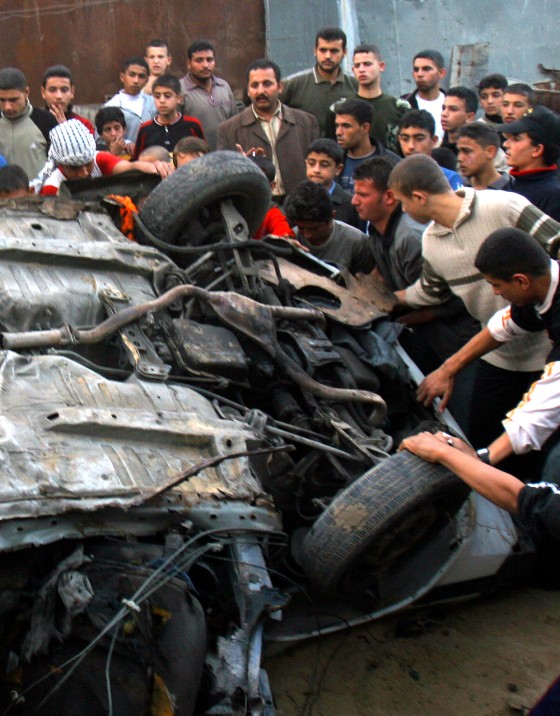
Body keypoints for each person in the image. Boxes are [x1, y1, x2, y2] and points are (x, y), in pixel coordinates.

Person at [388, 154, 558, 449]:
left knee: (540, 448)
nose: (495, 292)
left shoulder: (503, 206)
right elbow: (431, 293)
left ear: (418, 197)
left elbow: (555, 241)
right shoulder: (431, 242)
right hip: (498, 358)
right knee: (483, 433)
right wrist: (388, 301)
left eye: (403, 202)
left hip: (545, 352)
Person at [417, 228, 560, 476]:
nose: (495, 292)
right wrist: (448, 368)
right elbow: (503, 326)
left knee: (553, 469)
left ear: (521, 281)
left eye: (496, 285)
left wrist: (478, 460)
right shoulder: (544, 287)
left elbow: (543, 408)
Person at [217, 59, 320, 201]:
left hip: (301, 205)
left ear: (280, 86)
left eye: (267, 84)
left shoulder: (306, 123)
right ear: (248, 90)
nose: (261, 91)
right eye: (254, 85)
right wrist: (241, 165)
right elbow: (222, 178)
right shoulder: (229, 130)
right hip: (256, 207)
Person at [37, 119, 173, 196]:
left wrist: (155, 168)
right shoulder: (52, 188)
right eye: (74, 168)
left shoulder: (100, 160)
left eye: (88, 164)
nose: (84, 172)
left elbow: (132, 166)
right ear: (62, 164)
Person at [325, 44, 410, 153]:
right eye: (357, 65)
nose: (361, 69)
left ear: (381, 66)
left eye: (367, 64)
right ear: (353, 70)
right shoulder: (338, 109)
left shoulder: (400, 108)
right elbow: (330, 149)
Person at [280, 27, 357, 135]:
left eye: (334, 51)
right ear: (315, 51)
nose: (328, 56)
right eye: (323, 50)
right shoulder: (293, 84)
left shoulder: (355, 85)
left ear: (344, 52)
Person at [283, 180, 370, 271]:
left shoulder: (356, 243)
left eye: (314, 229)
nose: (307, 235)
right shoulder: (292, 239)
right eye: (301, 228)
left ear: (332, 216)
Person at [502, 105, 560, 221]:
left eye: (516, 139)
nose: (505, 144)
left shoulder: (553, 196)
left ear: (537, 149)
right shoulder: (509, 184)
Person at [0, 67, 57, 179]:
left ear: (26, 92)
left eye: (13, 100)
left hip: (39, 194)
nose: (7, 107)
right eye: (2, 100)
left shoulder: (45, 120)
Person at [179, 40, 237, 150]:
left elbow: (234, 123)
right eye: (199, 60)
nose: (205, 65)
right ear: (189, 64)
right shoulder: (179, 90)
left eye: (209, 60)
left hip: (224, 156)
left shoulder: (224, 86)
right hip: (194, 157)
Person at [334, 98, 400, 193]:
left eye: (346, 126)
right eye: (337, 126)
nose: (338, 132)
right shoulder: (331, 162)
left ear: (365, 128)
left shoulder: (394, 164)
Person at [133, 74, 204, 159]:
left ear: (179, 98)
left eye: (167, 96)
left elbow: (204, 156)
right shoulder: (146, 129)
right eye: (157, 96)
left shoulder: (192, 125)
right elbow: (137, 160)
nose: (162, 101)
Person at [397, 109, 463, 189]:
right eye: (405, 139)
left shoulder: (450, 179)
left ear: (433, 140)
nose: (411, 146)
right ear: (399, 139)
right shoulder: (393, 178)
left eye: (419, 139)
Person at [304, 138, 361, 228]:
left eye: (324, 165)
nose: (316, 170)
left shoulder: (350, 204)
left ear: (338, 169)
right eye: (311, 163)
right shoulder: (297, 197)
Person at [104, 57, 156, 145]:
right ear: (122, 77)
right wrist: (125, 143)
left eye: (141, 76)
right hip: (123, 157)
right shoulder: (111, 106)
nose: (136, 81)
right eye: (132, 75)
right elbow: (100, 141)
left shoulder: (154, 103)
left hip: (153, 156)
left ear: (147, 80)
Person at [401, 50, 447, 142]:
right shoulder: (403, 104)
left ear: (441, 73)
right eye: (416, 70)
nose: (420, 74)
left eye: (426, 69)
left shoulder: (452, 104)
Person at [249, 156, 294, 239]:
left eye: (259, 184)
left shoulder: (271, 212)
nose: (252, 188)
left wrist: (285, 240)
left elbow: (284, 234)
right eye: (248, 182)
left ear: (272, 186)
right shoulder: (228, 205)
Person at [40, 65, 94, 134]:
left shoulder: (83, 125)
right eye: (52, 90)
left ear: (72, 92)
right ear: (43, 92)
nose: (59, 96)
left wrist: (66, 130)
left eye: (64, 90)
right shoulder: (34, 124)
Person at [456, 123, 510, 189]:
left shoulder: (514, 190)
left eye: (467, 151)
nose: (460, 158)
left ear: (490, 152)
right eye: (459, 151)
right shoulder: (456, 186)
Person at [440, 86, 478, 155]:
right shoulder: (434, 147)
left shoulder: (480, 151)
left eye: (453, 109)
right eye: (444, 108)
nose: (444, 113)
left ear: (469, 117)